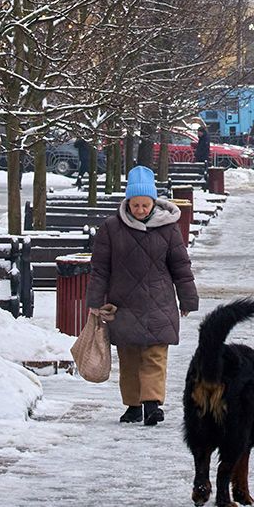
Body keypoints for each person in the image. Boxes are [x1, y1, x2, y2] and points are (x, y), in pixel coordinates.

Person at [87, 165, 198, 427]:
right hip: (123, 304)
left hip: (159, 303)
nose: (140, 210)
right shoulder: (111, 228)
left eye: (144, 205)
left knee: (155, 356)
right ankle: (133, 406)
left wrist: (188, 299)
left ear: (153, 202)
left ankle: (152, 405)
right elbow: (100, 268)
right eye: (135, 205)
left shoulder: (168, 229)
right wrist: (94, 301)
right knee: (129, 358)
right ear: (128, 203)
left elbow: (181, 266)